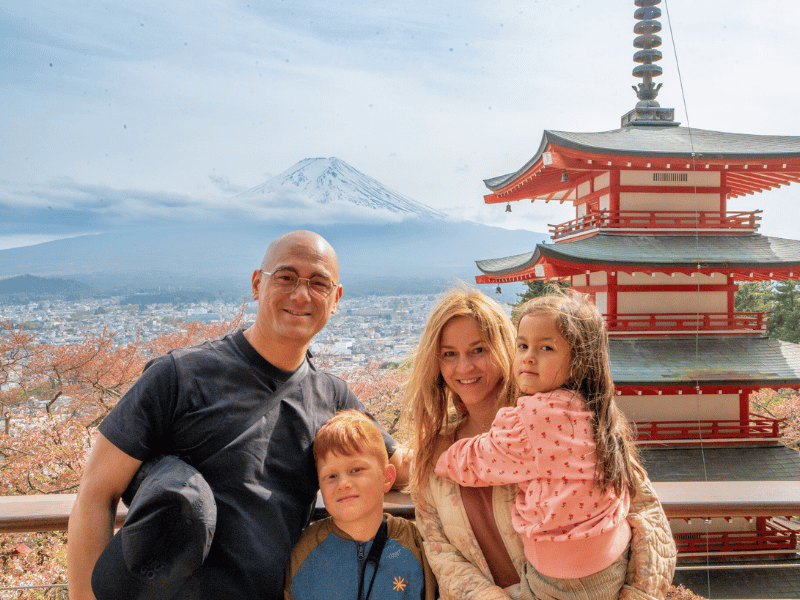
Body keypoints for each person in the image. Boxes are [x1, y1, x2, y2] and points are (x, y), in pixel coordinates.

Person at [67, 230, 409, 600]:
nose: (300, 294)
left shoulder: (332, 397)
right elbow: (96, 494)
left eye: (318, 283)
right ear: (256, 284)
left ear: (335, 299)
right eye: (286, 277)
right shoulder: (179, 376)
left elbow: (397, 466)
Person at [404, 287, 676, 600]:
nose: (464, 367)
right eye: (449, 354)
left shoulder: (559, 422)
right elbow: (438, 547)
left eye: (478, 350)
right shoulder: (434, 448)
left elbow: (644, 512)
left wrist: (639, 594)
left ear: (505, 347)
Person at [285, 410, 436, 600]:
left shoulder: (416, 544)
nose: (343, 484)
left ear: (387, 477)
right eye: (331, 476)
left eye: (356, 470)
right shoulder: (302, 552)